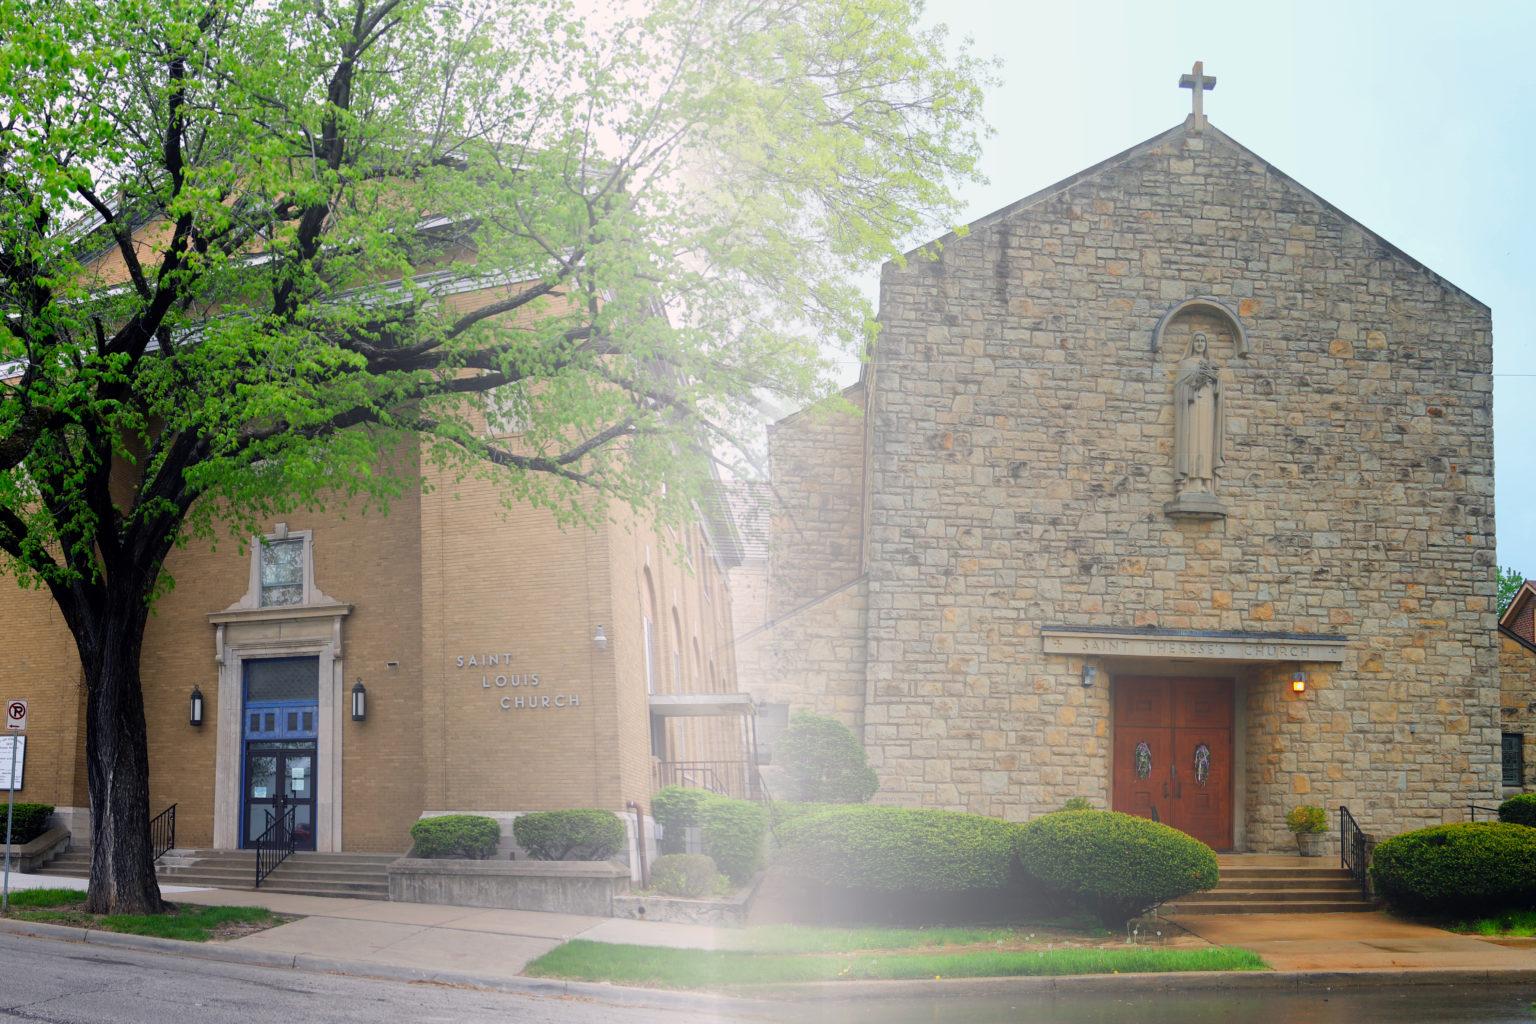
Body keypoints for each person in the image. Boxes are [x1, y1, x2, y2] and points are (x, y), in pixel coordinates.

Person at [1173, 332, 1223, 497]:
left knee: (1205, 444)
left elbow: (1218, 391)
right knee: (1192, 443)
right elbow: (1179, 388)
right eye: (1197, 341)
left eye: (1203, 341)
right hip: (1192, 409)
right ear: (1193, 344)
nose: (1200, 344)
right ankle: (1191, 483)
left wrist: (1215, 380)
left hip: (1208, 407)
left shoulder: (1210, 364)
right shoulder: (1185, 364)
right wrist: (1195, 383)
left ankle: (1205, 483)